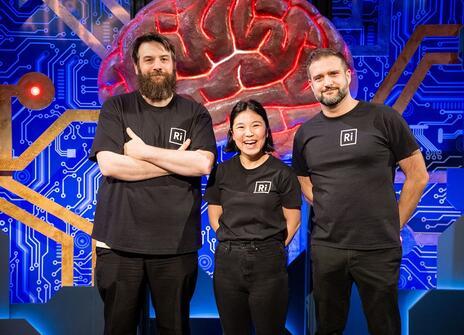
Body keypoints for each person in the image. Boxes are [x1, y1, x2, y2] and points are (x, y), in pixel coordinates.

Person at [292, 49, 429, 335]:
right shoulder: (306, 133)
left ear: (347, 76)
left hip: (378, 248)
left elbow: (417, 176)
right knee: (327, 327)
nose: (327, 82)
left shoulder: (383, 118)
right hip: (327, 248)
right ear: (311, 85)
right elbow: (304, 179)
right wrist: (332, 208)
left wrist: (394, 224)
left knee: (384, 327)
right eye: (318, 77)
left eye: (332, 74)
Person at [89, 32, 217, 335]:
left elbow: (202, 164)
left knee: (173, 329)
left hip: (176, 246)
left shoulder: (195, 113)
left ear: (173, 64)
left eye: (163, 59)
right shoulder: (116, 109)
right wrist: (175, 163)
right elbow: (110, 164)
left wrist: (143, 152)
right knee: (118, 328)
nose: (156, 66)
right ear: (137, 66)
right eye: (149, 60)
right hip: (119, 244)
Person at [204, 100, 301, 335]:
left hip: (268, 263)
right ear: (232, 134)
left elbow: (293, 219)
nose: (249, 133)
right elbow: (214, 212)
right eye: (240, 127)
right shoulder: (221, 171)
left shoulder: (282, 173)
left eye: (256, 126)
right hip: (228, 263)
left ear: (266, 131)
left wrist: (270, 246)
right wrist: (230, 241)